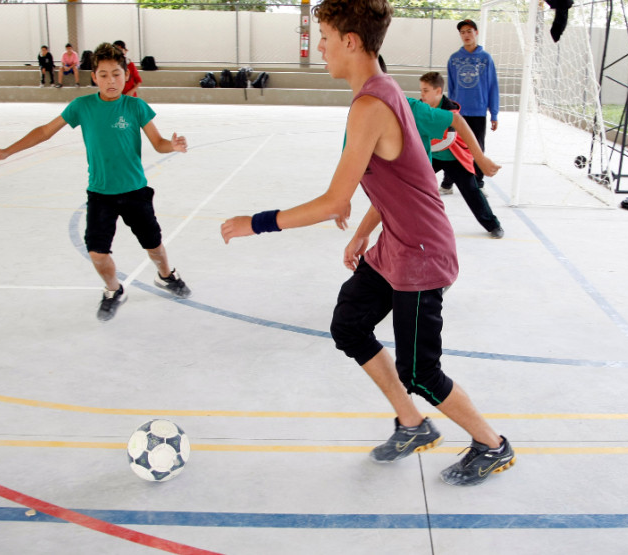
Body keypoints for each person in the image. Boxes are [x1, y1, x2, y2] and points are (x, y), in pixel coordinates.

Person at [221, 0, 515, 486]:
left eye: (326, 38)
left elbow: (334, 200)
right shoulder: (380, 94)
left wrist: (256, 222)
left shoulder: (372, 105)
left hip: (421, 252)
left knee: (420, 370)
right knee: (350, 325)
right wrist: (362, 231)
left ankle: (492, 444)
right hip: (396, 242)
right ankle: (413, 424)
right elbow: (403, 181)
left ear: (351, 41)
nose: (321, 47)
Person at [0, 43, 191, 321]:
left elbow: (158, 143)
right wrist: (9, 150)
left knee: (154, 245)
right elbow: (46, 131)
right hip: (100, 194)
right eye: (104, 74)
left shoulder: (136, 106)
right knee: (97, 252)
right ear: (94, 76)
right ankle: (113, 289)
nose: (111, 81)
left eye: (116, 74)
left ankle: (166, 275)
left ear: (125, 76)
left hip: (135, 191)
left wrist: (173, 145)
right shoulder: (82, 106)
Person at [410, 71, 504, 238]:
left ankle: (493, 224)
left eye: (425, 90)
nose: (421, 94)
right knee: (410, 185)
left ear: (438, 91)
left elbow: (447, 141)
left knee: (472, 191)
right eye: (421, 90)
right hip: (433, 156)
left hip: (455, 158)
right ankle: (401, 220)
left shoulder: (450, 112)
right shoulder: (420, 108)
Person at [442, 19, 499, 196]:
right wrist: (448, 110)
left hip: (478, 112)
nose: (466, 35)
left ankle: (478, 183)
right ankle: (447, 183)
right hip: (458, 113)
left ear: (476, 32)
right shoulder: (454, 59)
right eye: (462, 32)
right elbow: (451, 88)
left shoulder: (485, 59)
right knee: (452, 146)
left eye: (469, 31)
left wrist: (494, 113)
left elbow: (492, 87)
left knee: (478, 147)